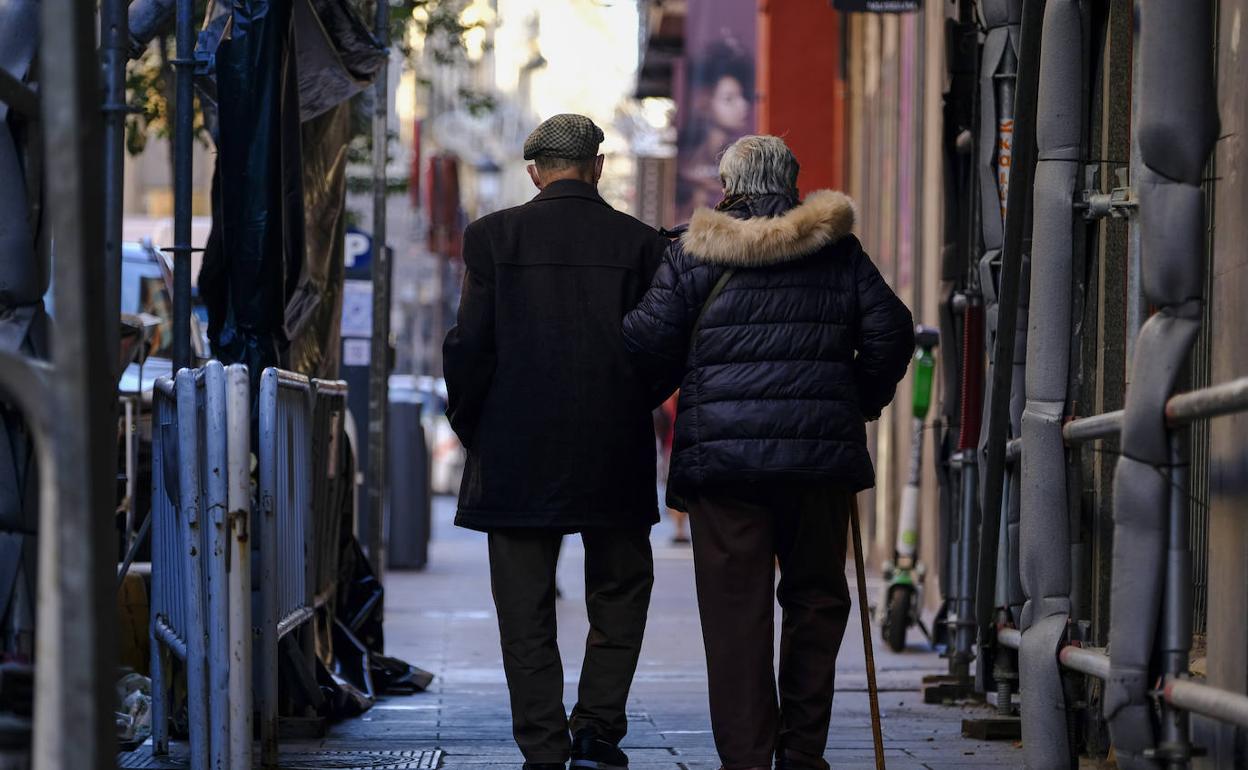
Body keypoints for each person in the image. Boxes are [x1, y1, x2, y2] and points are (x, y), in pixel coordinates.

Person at [623, 135, 914, 770]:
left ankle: (748, 758)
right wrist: (855, 400)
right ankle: (803, 753)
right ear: (794, 180)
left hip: (724, 468)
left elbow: (646, 345)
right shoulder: (837, 249)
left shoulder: (692, 254)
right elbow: (893, 331)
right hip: (817, 463)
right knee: (815, 601)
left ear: (728, 186)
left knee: (735, 615)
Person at [443, 113, 669, 770]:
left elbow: (468, 347)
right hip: (613, 441)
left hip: (516, 445)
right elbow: (663, 347)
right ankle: (598, 728)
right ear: (598, 166)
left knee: (524, 604)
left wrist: (475, 425)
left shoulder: (492, 238)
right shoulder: (640, 244)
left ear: (534, 172)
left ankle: (544, 746)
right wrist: (633, 402)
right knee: (622, 587)